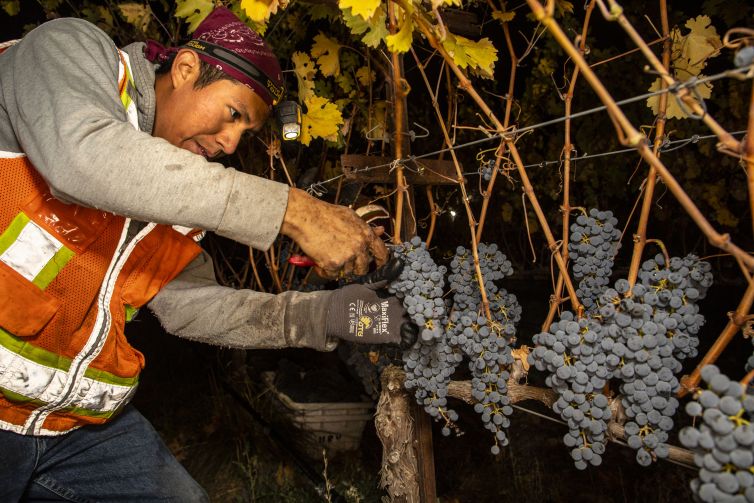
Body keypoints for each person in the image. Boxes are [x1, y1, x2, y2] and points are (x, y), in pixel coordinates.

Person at [0, 7, 414, 501]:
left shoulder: (175, 198)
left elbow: (193, 306)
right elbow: (82, 157)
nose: (230, 142)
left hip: (71, 430)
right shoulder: (68, 51)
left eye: (246, 134)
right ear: (186, 70)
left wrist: (327, 315)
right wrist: (294, 211)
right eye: (233, 115)